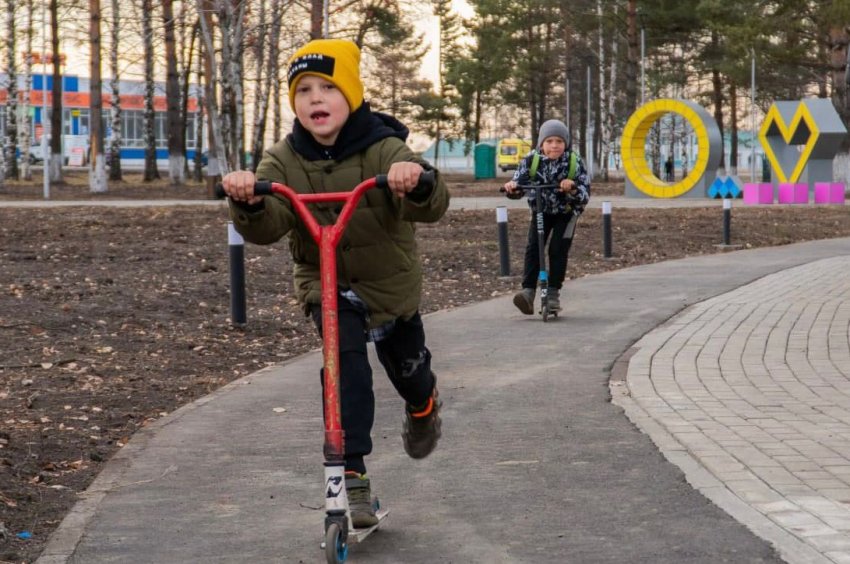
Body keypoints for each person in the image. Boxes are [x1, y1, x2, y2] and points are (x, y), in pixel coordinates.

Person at [220, 38, 449, 528]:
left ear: (351, 93)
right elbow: (267, 227)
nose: (315, 99)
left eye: (327, 87)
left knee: (409, 371)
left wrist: (418, 179)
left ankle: (424, 404)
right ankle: (352, 474)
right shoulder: (282, 160)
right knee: (344, 372)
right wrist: (249, 201)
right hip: (327, 287)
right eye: (303, 90)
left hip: (388, 286)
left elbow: (430, 204)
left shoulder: (384, 147)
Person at [503, 119, 590, 315]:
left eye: (559, 141)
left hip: (567, 212)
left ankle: (552, 294)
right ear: (541, 143)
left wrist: (573, 188)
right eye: (549, 141)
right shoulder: (531, 160)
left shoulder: (574, 162)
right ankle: (528, 292)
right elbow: (518, 184)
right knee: (534, 247)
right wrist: (512, 188)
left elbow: (585, 194)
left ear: (565, 143)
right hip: (541, 210)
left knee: (557, 249)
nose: (554, 146)